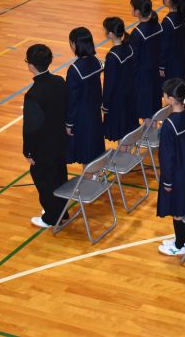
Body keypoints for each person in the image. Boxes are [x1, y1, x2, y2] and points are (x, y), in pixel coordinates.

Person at [22, 43, 70, 229]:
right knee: (59, 175)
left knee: (43, 180)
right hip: (60, 140)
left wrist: (28, 151)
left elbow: (31, 128)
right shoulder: (59, 81)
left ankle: (51, 217)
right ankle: (61, 211)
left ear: (31, 65)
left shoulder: (33, 94)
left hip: (43, 147)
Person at [156, 78, 185, 257]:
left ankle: (180, 245)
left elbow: (167, 157)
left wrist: (167, 182)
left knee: (177, 209)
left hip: (175, 174)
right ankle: (180, 240)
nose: (163, 96)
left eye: (165, 94)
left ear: (172, 99)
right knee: (182, 205)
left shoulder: (169, 125)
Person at [65, 27, 105, 166]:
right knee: (94, 150)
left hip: (81, 118)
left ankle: (89, 178)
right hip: (95, 113)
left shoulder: (74, 70)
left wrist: (69, 123)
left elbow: (72, 100)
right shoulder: (96, 62)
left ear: (74, 44)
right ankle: (94, 176)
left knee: (86, 154)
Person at [101, 16, 137, 141]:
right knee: (128, 128)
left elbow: (109, 84)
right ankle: (126, 151)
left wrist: (105, 105)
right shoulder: (129, 47)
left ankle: (122, 153)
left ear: (111, 34)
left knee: (121, 131)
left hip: (117, 101)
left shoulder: (112, 56)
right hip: (130, 94)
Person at [129, 0, 163, 121]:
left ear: (138, 12)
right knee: (155, 102)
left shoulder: (137, 33)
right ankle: (154, 128)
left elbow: (134, 58)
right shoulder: (158, 25)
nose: (131, 10)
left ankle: (148, 131)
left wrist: (132, 76)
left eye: (132, 8)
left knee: (145, 106)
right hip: (155, 70)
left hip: (143, 75)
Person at [159, 0, 185, 82]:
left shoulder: (168, 21)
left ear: (168, 0)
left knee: (172, 87)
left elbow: (164, 45)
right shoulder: (182, 14)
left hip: (171, 62)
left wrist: (161, 66)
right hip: (181, 56)